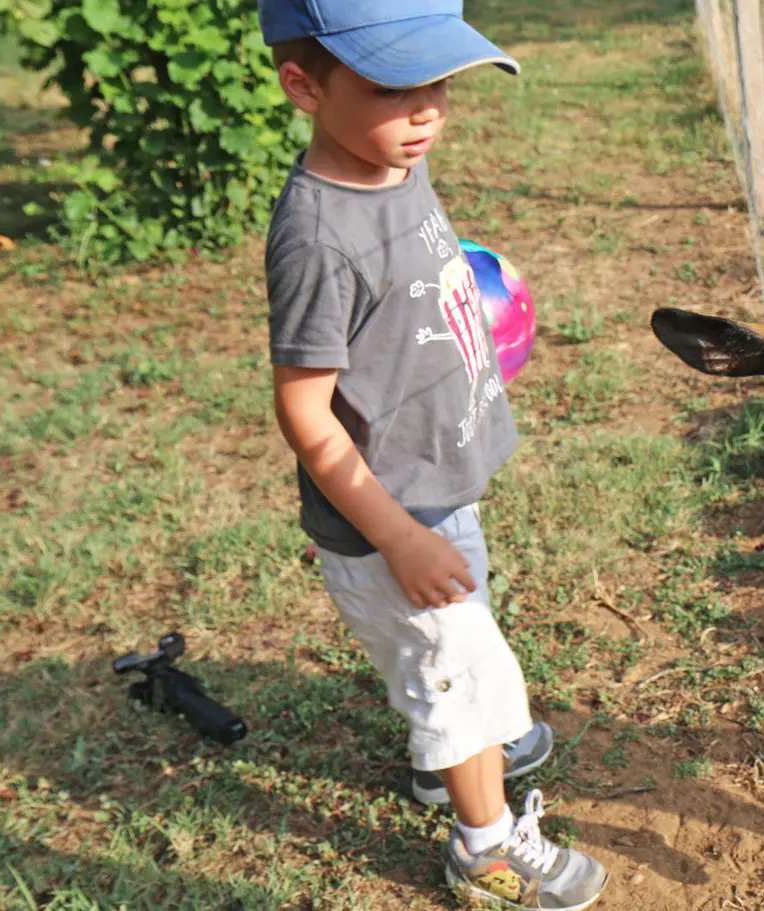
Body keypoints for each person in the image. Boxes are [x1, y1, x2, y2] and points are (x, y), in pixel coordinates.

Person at [257, 2, 607, 907]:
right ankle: (483, 848)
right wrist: (397, 538)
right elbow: (305, 412)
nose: (426, 112)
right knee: (456, 673)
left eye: (439, 84)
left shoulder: (391, 163)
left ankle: (455, 754)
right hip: (389, 515)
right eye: (390, 88)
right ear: (304, 85)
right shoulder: (317, 236)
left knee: (460, 651)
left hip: (439, 487)